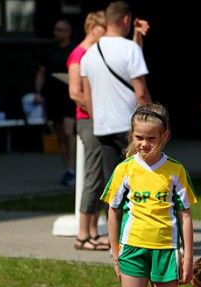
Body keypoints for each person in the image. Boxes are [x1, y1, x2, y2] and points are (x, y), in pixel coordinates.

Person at [101, 103, 196, 287]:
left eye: (151, 138)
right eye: (139, 137)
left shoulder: (175, 171)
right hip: (133, 252)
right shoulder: (125, 170)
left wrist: (187, 256)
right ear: (132, 136)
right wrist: (115, 253)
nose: (144, 144)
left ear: (165, 136)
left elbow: (185, 215)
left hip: (166, 252)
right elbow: (113, 211)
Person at [80, 0, 151, 187]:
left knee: (113, 185)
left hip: (102, 127)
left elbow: (87, 97)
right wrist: (151, 123)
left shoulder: (88, 55)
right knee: (136, 184)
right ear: (126, 19)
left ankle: (114, 208)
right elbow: (141, 93)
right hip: (129, 127)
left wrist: (97, 120)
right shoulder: (130, 49)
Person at [67, 10, 110, 251]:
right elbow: (75, 93)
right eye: (104, 29)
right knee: (93, 175)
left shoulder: (94, 54)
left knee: (101, 176)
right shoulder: (79, 54)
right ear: (93, 28)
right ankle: (82, 235)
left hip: (98, 120)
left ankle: (93, 231)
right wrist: (97, 113)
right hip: (88, 121)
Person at [36, 19, 77, 187]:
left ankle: (73, 167)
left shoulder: (74, 50)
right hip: (53, 96)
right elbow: (41, 72)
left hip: (69, 96)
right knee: (60, 135)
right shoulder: (49, 51)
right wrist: (38, 92)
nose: (56, 33)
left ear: (67, 32)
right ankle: (68, 169)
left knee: (68, 132)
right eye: (55, 29)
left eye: (59, 30)